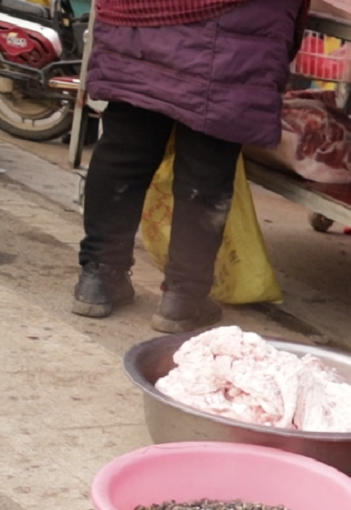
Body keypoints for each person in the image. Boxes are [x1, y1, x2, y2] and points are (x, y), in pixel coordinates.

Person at [71, 0, 307, 333]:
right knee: (206, 165)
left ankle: (98, 277)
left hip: (141, 22)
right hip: (234, 34)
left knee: (126, 147)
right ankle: (183, 298)